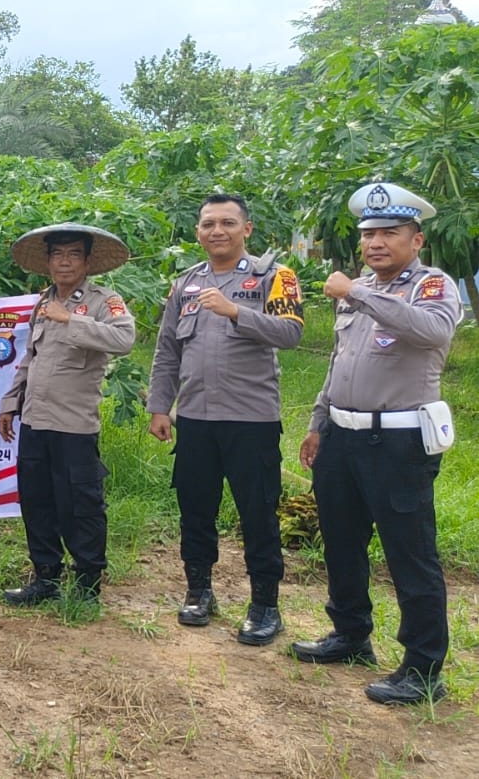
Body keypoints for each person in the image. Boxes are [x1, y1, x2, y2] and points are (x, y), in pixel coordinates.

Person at [291, 181, 461, 706]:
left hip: (399, 441)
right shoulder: (360, 285)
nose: (376, 243)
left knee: (410, 552)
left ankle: (423, 666)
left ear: (417, 239)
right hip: (342, 435)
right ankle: (350, 634)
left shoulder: (431, 286)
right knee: (341, 541)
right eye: (369, 234)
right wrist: (319, 421)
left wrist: (357, 293)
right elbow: (341, 362)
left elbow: (432, 333)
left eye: (390, 232)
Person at [147, 193, 303, 645]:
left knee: (258, 513)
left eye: (228, 223)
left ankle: (265, 605)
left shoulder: (274, 276)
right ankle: (199, 590)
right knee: (195, 509)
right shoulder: (185, 285)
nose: (218, 231)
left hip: (250, 421)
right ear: (198, 232)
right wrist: (161, 406)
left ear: (247, 229)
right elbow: (167, 351)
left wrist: (237, 311)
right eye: (209, 224)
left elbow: (292, 333)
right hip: (194, 419)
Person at [0, 223, 136, 605]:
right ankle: (45, 578)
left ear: (88, 261)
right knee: (37, 500)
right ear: (47, 261)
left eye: (73, 254)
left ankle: (88, 581)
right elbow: (31, 357)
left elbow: (124, 339)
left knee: (81, 503)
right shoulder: (42, 302)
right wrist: (12, 402)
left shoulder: (103, 301)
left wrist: (70, 319)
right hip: (36, 420)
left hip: (74, 423)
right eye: (57, 254)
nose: (64, 262)